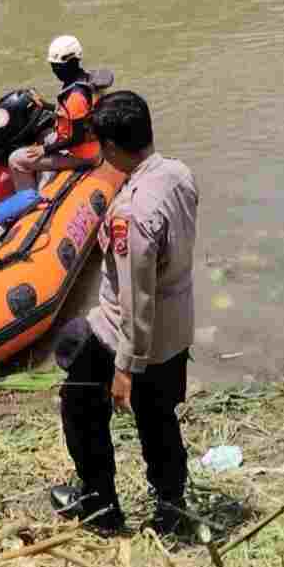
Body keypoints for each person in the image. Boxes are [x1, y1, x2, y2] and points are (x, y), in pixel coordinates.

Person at [49, 91, 199, 536]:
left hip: (131, 336)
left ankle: (100, 506)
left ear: (110, 148)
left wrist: (126, 368)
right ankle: (172, 507)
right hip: (176, 330)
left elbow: (137, 296)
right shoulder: (177, 173)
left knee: (79, 406)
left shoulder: (132, 213)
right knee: (160, 420)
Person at [8, 35, 108, 191]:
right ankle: (45, 178)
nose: (54, 71)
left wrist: (45, 150)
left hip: (82, 155)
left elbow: (77, 137)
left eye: (57, 67)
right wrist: (46, 105)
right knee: (43, 133)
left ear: (71, 63)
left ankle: (28, 204)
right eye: (53, 66)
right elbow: (71, 115)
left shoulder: (76, 97)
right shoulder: (83, 79)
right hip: (87, 146)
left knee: (15, 160)